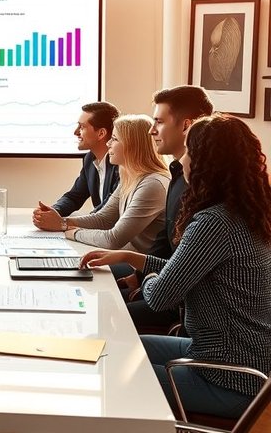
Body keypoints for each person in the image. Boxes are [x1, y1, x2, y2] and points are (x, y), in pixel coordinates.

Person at [80, 115, 271, 419]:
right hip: (233, 359)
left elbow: (159, 296)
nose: (182, 161)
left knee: (110, 367)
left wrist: (150, 276)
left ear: (207, 163)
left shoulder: (214, 223)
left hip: (229, 377)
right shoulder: (245, 213)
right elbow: (185, 269)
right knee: (117, 346)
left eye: (188, 152)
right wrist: (132, 258)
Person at [124, 85, 213, 329]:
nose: (151, 131)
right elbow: (167, 236)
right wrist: (139, 274)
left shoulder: (208, 189)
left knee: (113, 316)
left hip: (187, 302)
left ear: (187, 125)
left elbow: (189, 261)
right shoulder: (176, 173)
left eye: (159, 122)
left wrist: (149, 279)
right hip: (171, 284)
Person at [33, 114, 169, 252]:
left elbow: (113, 239)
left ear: (132, 145)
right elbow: (104, 219)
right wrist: (61, 223)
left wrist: (68, 230)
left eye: (114, 139)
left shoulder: (152, 184)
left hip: (138, 268)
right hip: (123, 257)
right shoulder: (131, 177)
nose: (108, 143)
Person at [38, 101, 120, 217]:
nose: (76, 132)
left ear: (101, 133)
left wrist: (62, 223)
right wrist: (53, 211)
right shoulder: (89, 159)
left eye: (82, 127)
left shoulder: (120, 163)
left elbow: (108, 211)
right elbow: (74, 197)